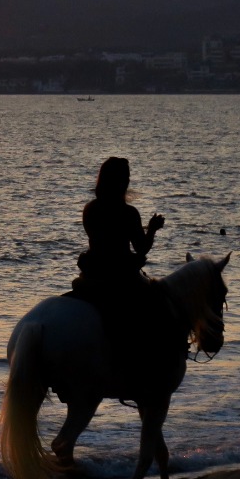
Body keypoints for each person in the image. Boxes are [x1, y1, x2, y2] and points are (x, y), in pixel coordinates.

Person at [72, 157, 173, 392]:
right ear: (122, 181)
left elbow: (98, 239)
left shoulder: (90, 208)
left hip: (93, 273)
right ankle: (141, 367)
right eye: (126, 178)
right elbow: (141, 248)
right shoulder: (128, 213)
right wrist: (153, 229)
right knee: (156, 307)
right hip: (119, 276)